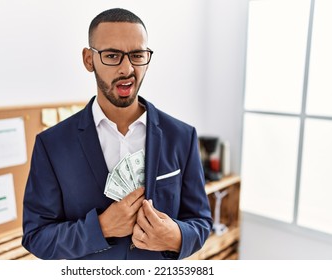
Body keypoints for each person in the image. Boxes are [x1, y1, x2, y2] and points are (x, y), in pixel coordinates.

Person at [22, 8, 212, 260]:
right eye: (112, 55)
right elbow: (36, 236)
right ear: (89, 59)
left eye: (137, 55)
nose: (127, 69)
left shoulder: (182, 136)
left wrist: (176, 236)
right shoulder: (52, 144)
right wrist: (100, 228)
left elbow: (200, 222)